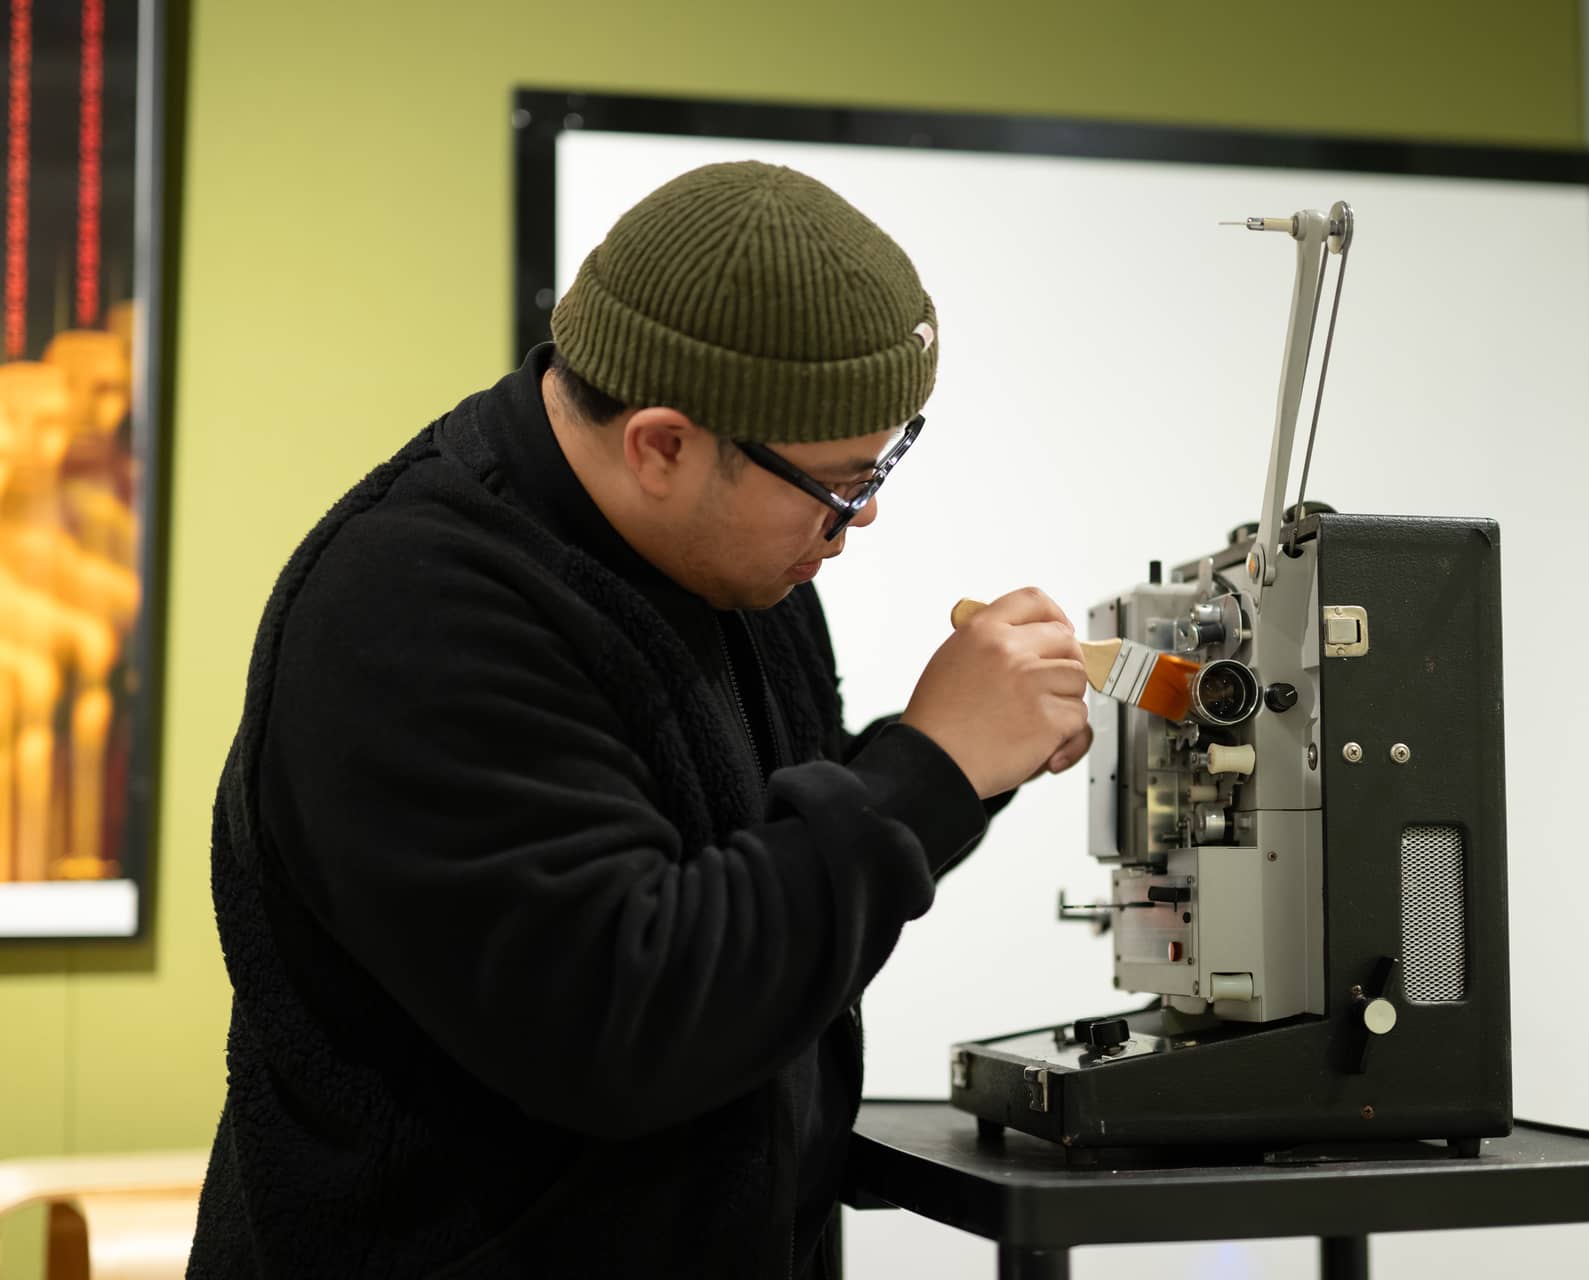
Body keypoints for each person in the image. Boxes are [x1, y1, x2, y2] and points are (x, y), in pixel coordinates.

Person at [186, 160, 1092, 1277]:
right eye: (841, 482)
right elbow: (631, 1017)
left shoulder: (735, 570)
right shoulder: (410, 607)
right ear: (661, 443)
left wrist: (970, 762)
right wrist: (928, 769)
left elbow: (758, 885)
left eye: (884, 465)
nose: (858, 522)